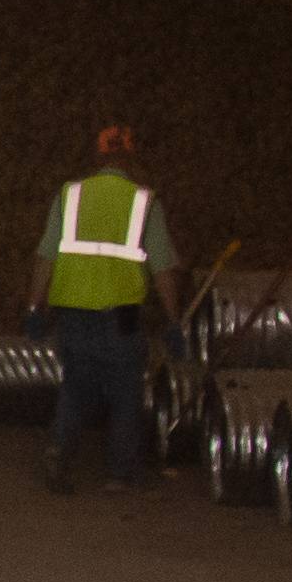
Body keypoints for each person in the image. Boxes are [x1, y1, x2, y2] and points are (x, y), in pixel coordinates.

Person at [29, 123, 181, 493]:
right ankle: (119, 475)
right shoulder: (145, 202)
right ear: (130, 156)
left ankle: (59, 455)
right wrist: (174, 321)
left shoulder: (70, 196)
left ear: (97, 155)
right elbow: (161, 269)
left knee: (75, 387)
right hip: (124, 314)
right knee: (126, 390)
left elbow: (46, 256)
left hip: (75, 311)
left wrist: (34, 307)